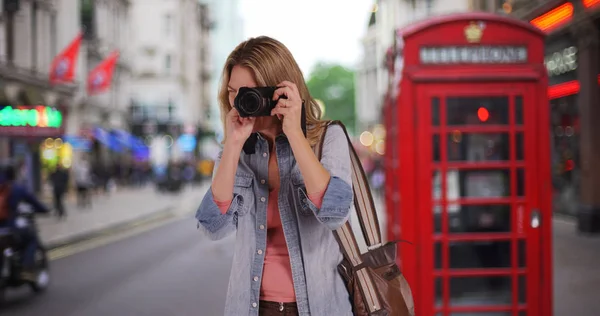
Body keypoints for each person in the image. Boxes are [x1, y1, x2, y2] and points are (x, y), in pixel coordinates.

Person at [196, 36, 354, 316]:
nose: (241, 102)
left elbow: (335, 213)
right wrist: (233, 145)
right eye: (234, 92)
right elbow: (213, 226)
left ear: (280, 90)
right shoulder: (235, 149)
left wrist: (294, 133)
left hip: (319, 308)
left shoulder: (329, 138)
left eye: (251, 93)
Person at [0, 165, 50, 281]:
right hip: (10, 229)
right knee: (31, 239)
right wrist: (45, 209)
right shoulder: (16, 188)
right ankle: (26, 269)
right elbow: (34, 202)